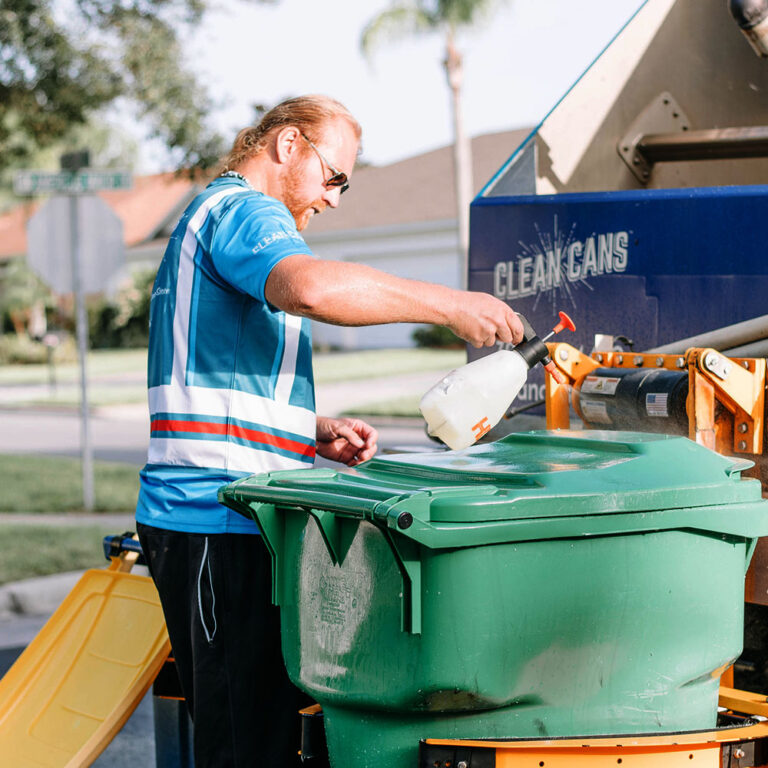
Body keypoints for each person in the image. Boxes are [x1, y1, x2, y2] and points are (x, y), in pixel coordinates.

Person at [135, 94, 523, 768]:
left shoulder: (214, 218)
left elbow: (210, 367)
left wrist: (307, 429)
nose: (335, 198)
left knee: (252, 732)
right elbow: (310, 289)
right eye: (334, 176)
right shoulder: (243, 210)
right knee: (245, 747)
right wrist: (449, 304)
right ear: (288, 146)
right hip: (214, 521)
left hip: (220, 519)